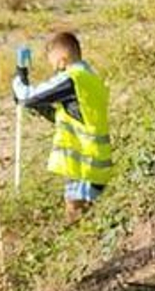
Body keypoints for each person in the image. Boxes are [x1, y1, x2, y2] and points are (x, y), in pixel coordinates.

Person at [12, 29, 112, 221]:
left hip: (84, 165)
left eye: (54, 64)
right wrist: (40, 108)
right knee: (86, 219)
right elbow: (73, 115)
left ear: (62, 59)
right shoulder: (92, 79)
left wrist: (19, 77)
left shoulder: (72, 79)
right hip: (95, 164)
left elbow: (26, 96)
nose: (55, 70)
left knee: (76, 217)